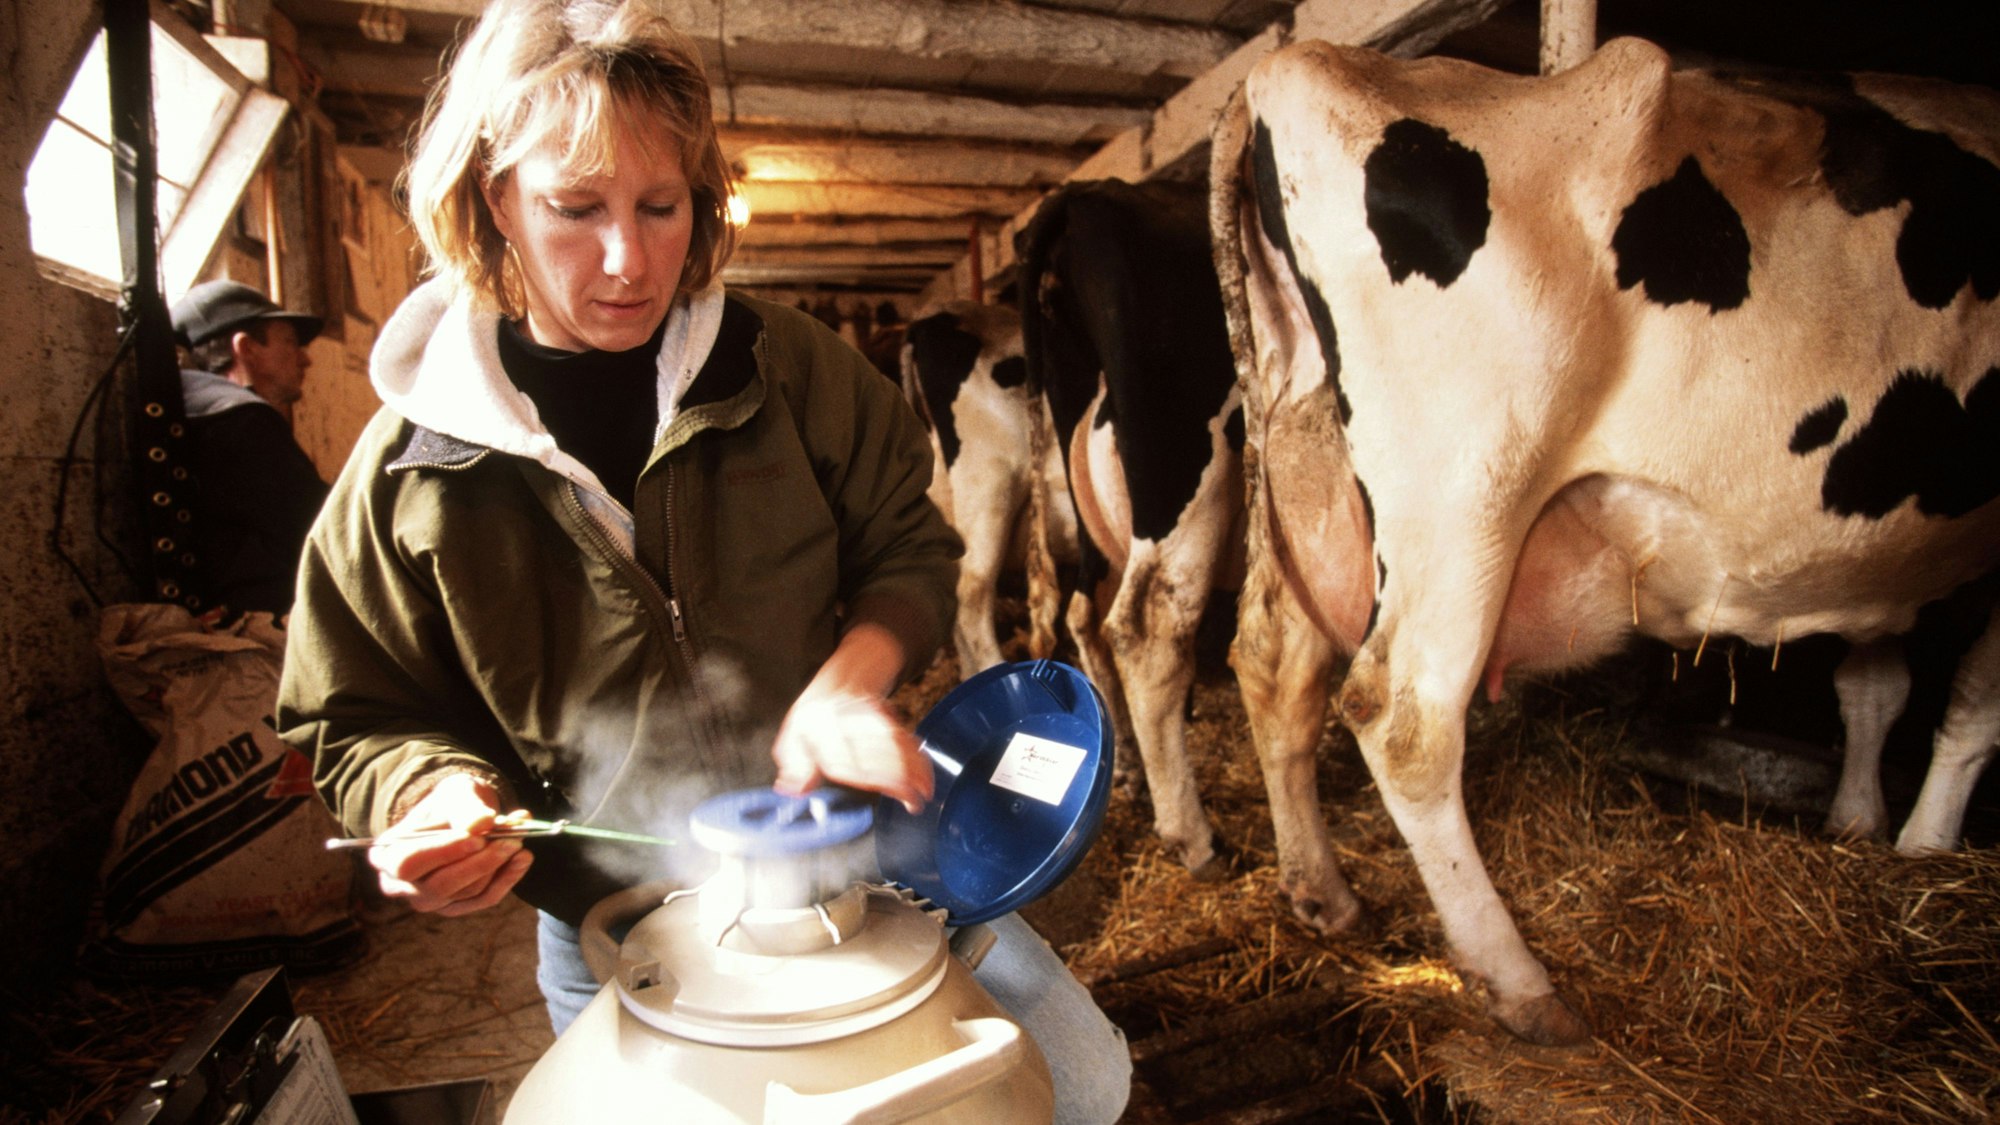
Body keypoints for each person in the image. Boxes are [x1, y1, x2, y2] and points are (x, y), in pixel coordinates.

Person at [273, 2, 1130, 1120]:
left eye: (659, 205)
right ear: (496, 202)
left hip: (862, 879)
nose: (628, 260)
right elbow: (351, 712)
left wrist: (849, 681)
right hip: (623, 927)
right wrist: (426, 792)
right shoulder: (411, 465)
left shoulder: (791, 370)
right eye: (574, 209)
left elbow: (907, 547)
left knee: (1082, 1079)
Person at [170, 279, 330, 616]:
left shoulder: (193, 409)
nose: (305, 359)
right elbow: (324, 529)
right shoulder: (243, 420)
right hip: (262, 621)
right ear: (246, 349)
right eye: (289, 342)